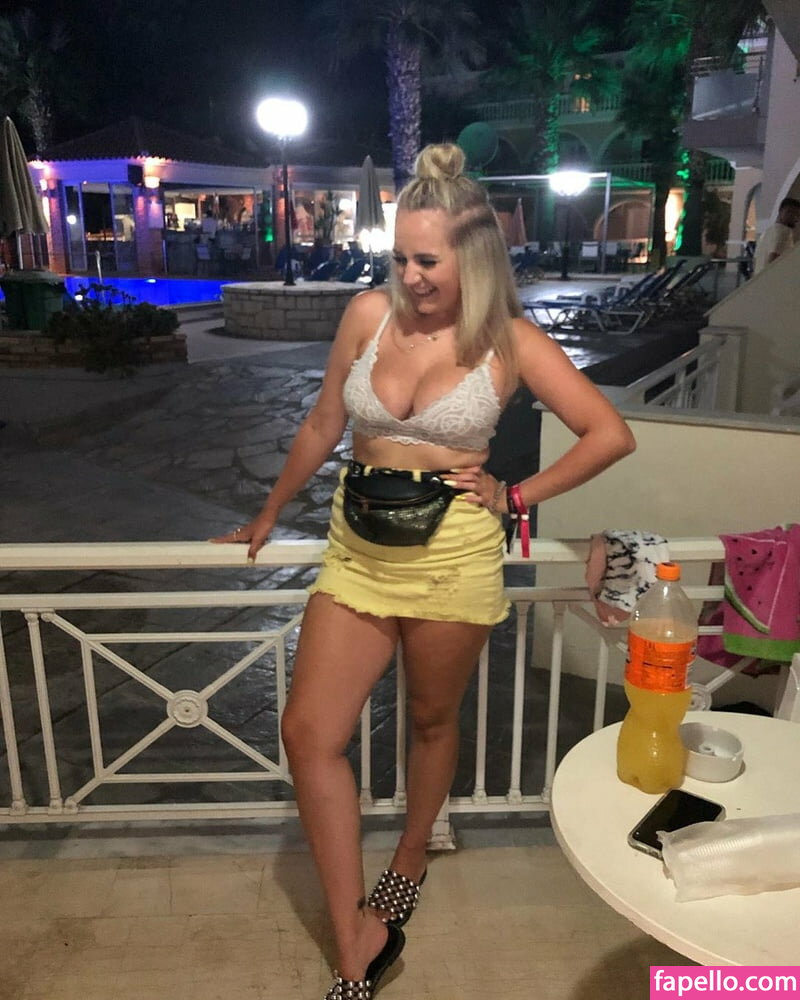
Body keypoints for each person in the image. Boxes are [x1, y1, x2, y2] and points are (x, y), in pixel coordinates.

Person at [215, 143, 636, 999]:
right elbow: (323, 422)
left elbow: (609, 434)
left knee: (433, 721)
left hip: (453, 557)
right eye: (400, 257)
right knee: (308, 732)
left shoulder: (510, 339)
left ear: (472, 257)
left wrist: (516, 495)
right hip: (358, 547)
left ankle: (409, 857)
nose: (409, 276)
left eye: (427, 261)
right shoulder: (368, 314)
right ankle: (355, 938)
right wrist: (267, 511)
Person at [753, 197, 800, 273]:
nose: (795, 217)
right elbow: (773, 259)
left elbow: (755, 260)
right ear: (780, 211)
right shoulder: (784, 231)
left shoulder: (766, 233)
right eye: (790, 212)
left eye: (797, 214)